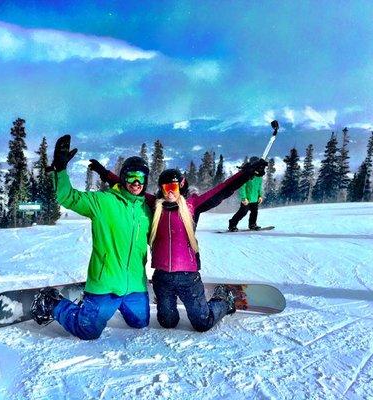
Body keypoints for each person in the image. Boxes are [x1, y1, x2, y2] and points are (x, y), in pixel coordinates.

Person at [91, 157, 267, 332]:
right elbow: (127, 184)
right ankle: (165, 303)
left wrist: (247, 174)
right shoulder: (154, 205)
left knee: (202, 323)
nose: (169, 192)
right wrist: (103, 173)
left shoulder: (192, 206)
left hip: (188, 277)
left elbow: (221, 191)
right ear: (161, 188)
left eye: (173, 187)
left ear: (181, 186)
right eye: (166, 187)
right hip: (162, 278)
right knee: (167, 322)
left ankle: (223, 300)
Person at [30, 135, 152, 340]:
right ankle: (53, 303)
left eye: (141, 177)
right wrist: (59, 170)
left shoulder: (147, 210)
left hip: (135, 286)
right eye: (131, 177)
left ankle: (108, 304)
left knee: (141, 322)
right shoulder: (103, 202)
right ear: (123, 178)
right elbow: (68, 197)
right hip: (106, 282)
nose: (136, 182)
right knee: (88, 331)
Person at [228, 156, 265, 232]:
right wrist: (243, 198)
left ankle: (252, 224)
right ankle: (232, 224)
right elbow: (242, 187)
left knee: (254, 212)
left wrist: (260, 196)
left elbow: (259, 187)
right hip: (247, 199)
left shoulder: (259, 176)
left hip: (255, 198)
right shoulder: (247, 174)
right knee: (243, 212)